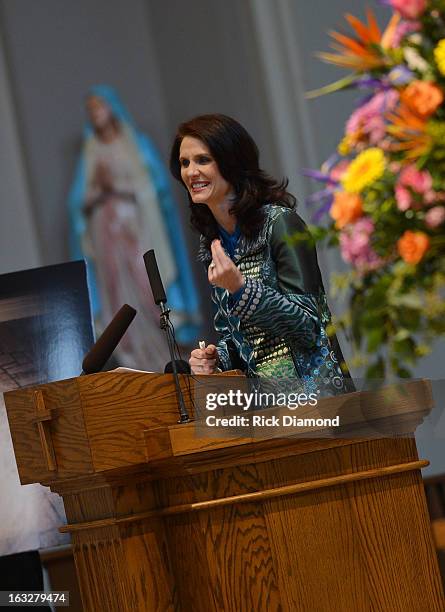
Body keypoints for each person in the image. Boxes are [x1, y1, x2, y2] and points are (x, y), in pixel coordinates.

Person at [170, 113, 353, 395]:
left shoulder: (281, 224)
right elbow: (244, 339)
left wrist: (241, 289)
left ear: (230, 162)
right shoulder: (213, 244)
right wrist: (216, 357)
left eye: (202, 160)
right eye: (184, 163)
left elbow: (308, 327)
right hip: (267, 407)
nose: (191, 172)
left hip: (318, 399)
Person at [68, 85, 200, 371]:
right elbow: (79, 203)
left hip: (137, 230)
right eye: (90, 109)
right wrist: (98, 193)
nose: (95, 114)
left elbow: (155, 190)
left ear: (112, 107)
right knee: (117, 291)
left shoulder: (135, 144)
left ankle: (164, 350)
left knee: (147, 286)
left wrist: (118, 187)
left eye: (99, 106)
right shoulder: (90, 152)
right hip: (107, 237)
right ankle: (132, 358)